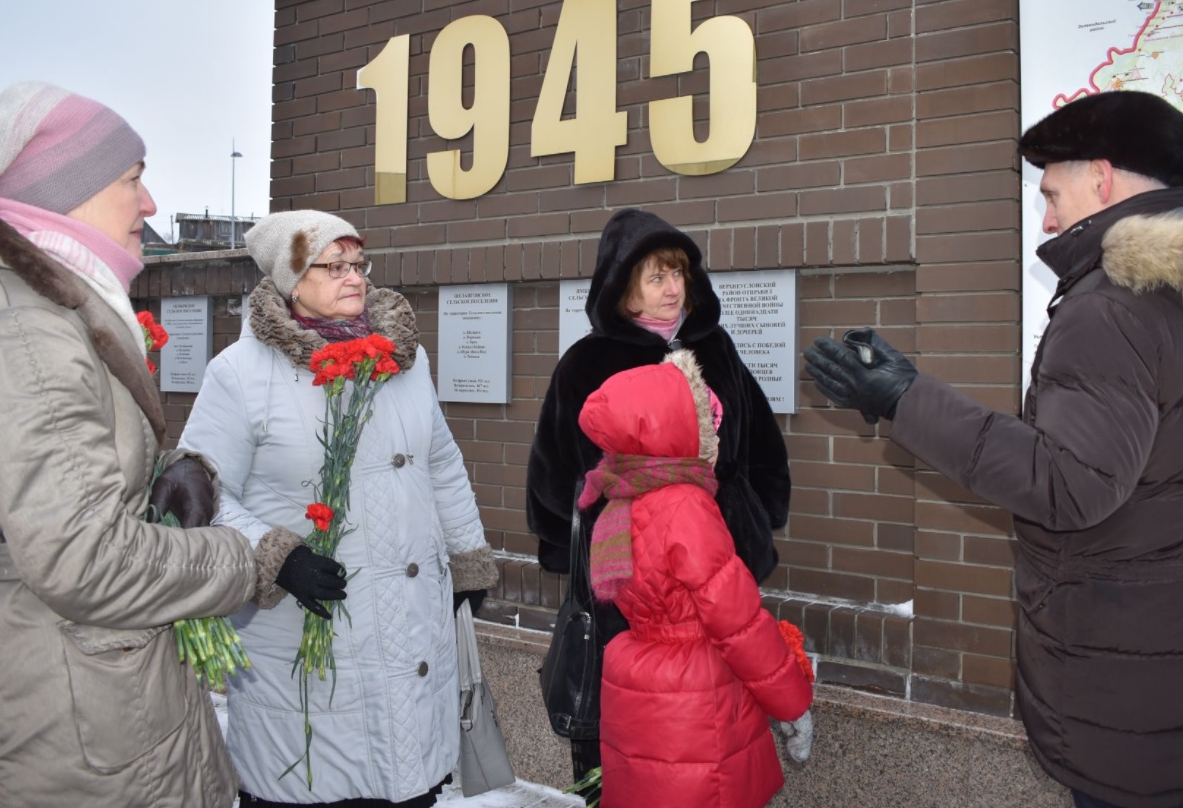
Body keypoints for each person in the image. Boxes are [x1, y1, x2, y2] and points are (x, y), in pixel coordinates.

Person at [803, 91, 1183, 808]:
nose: (1045, 218)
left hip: (1126, 677)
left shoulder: (1115, 306)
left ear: (1101, 177)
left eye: (1051, 191)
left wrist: (904, 396)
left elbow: (1068, 485)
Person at [0, 82, 340, 808]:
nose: (149, 204)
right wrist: (247, 558)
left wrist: (164, 475)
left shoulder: (47, 315)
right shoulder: (26, 334)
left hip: (90, 692)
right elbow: (86, 556)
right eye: (131, 180)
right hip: (72, 713)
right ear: (68, 191)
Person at [178, 209, 499, 808]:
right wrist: (276, 557)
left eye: (359, 263)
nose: (355, 277)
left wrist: (466, 557)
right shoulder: (241, 374)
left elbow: (441, 464)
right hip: (305, 630)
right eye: (335, 265)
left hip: (407, 624)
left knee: (405, 787)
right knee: (319, 785)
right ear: (292, 280)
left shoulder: (403, 361)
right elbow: (204, 492)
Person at [526, 207, 793, 784]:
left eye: (678, 274)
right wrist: (574, 555)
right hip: (632, 588)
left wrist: (757, 515)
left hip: (718, 567)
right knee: (632, 733)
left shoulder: (715, 348)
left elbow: (761, 438)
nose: (674, 288)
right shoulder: (587, 363)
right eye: (656, 277)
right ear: (625, 291)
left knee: (716, 717)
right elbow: (551, 472)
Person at [577, 351, 813, 808]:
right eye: (708, 423)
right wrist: (792, 701)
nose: (717, 437)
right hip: (694, 701)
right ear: (677, 428)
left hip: (640, 685)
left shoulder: (619, 500)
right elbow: (735, 621)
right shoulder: (685, 506)